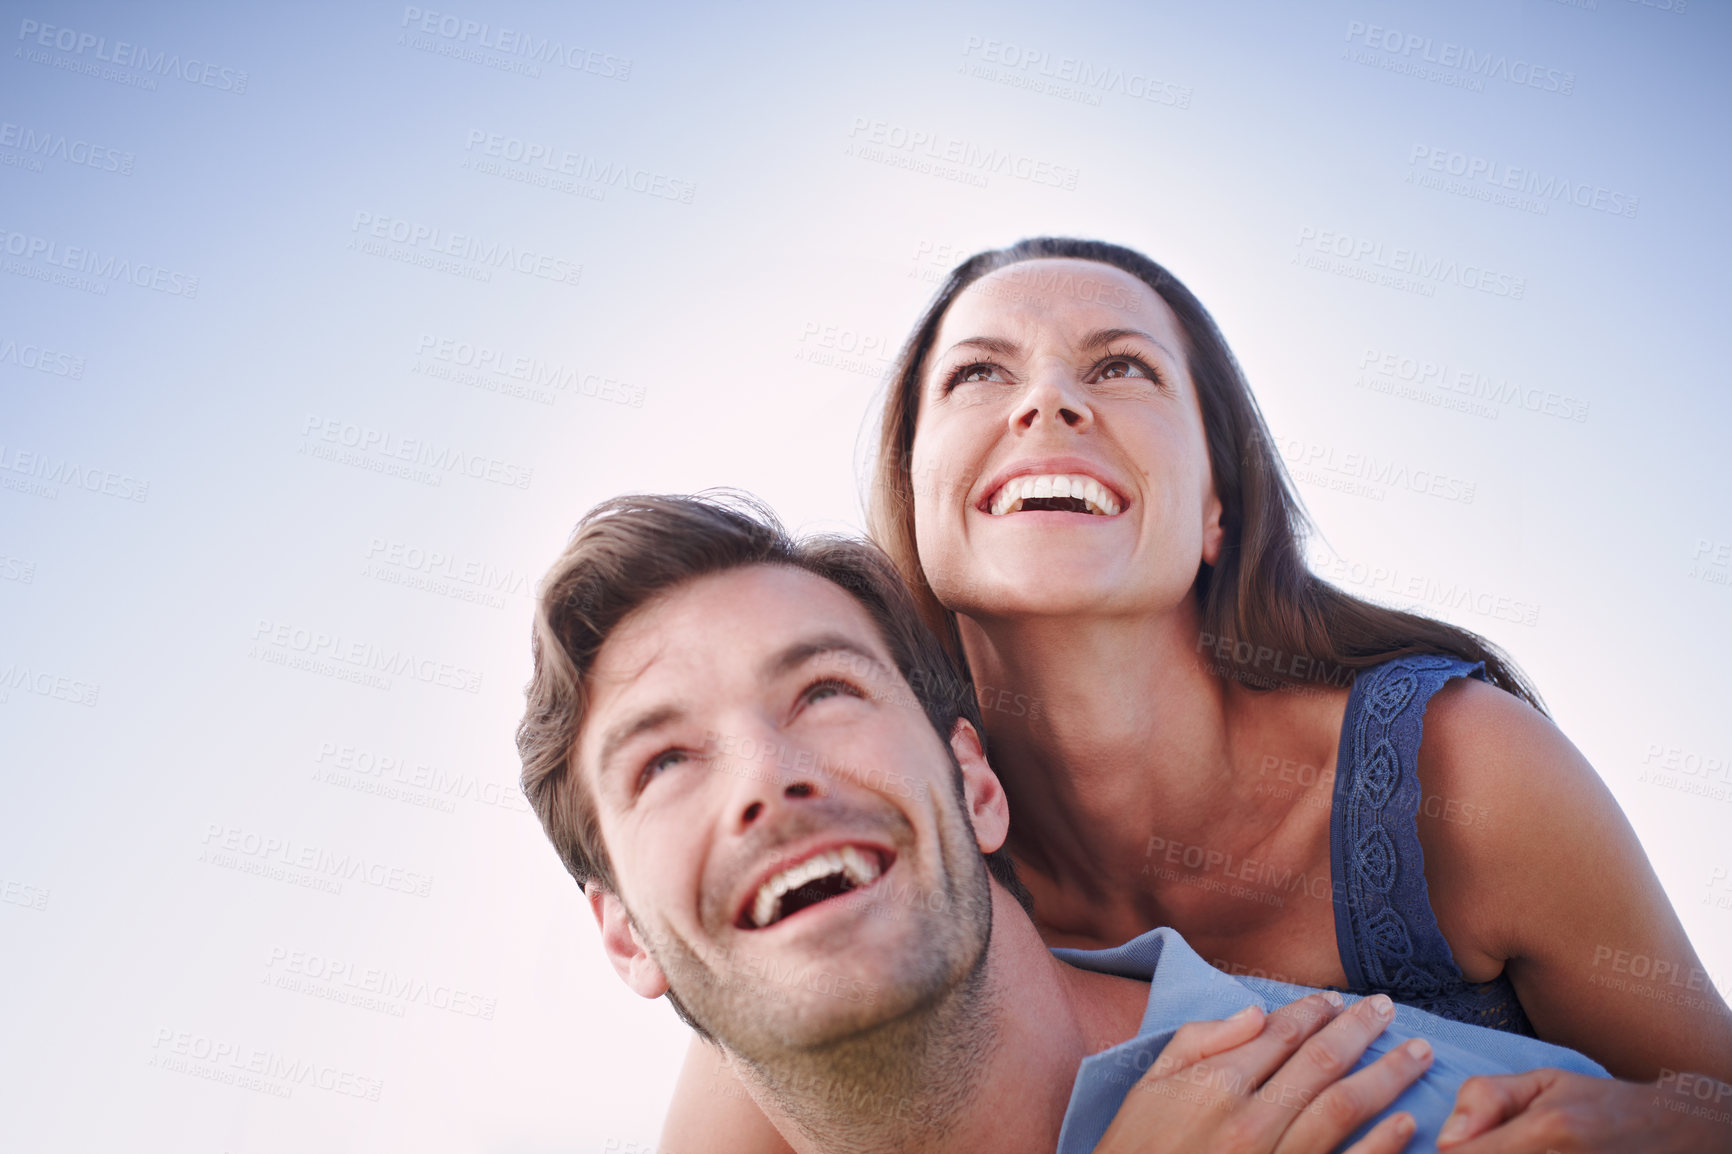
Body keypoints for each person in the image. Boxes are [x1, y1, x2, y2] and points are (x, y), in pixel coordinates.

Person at [663, 239, 1732, 1151]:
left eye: (1120, 365)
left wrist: (1673, 1124)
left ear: (1216, 506)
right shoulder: (859, 871)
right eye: (978, 374)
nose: (1048, 398)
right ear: (913, 494)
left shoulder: (1458, 775)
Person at [514, 493, 1651, 1154]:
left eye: (823, 690)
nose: (768, 778)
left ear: (976, 784)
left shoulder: (1386, 1114)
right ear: (621, 932)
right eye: (664, 758)